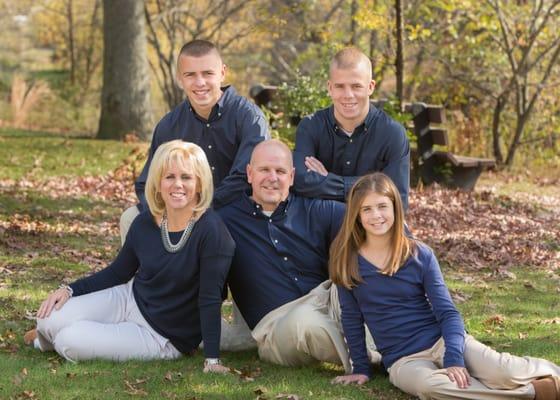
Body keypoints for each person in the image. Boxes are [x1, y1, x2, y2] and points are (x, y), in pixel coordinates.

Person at [329, 172, 560, 399]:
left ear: (395, 208)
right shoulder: (347, 260)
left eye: (382, 206)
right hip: (404, 360)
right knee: (432, 387)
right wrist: (360, 368)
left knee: (505, 371)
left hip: (442, 341)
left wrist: (453, 357)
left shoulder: (420, 255)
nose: (376, 215)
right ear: (356, 215)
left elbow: (448, 312)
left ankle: (554, 375)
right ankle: (532, 393)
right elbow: (351, 318)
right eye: (366, 209)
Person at [24, 140, 234, 373]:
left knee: (69, 341)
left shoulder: (212, 232)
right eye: (169, 177)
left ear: (200, 183)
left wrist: (212, 360)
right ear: (158, 182)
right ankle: (50, 334)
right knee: (48, 318)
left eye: (186, 177)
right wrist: (69, 290)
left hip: (161, 335)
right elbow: (118, 272)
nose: (177, 184)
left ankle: (49, 340)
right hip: (131, 299)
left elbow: (210, 298)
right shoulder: (147, 221)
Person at [217, 139, 379, 372]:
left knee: (364, 286)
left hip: (325, 299)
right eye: (264, 170)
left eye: (280, 171)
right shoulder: (225, 222)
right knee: (306, 322)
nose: (272, 177)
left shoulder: (315, 210)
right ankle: (378, 359)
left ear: (292, 177)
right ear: (249, 174)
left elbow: (373, 222)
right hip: (276, 327)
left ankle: (422, 346)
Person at [120, 39, 269, 242]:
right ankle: (147, 273)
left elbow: (244, 178)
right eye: (190, 75)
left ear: (223, 73)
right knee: (130, 218)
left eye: (207, 73)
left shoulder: (249, 117)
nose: (200, 83)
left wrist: (199, 209)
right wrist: (162, 213)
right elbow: (148, 182)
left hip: (235, 210)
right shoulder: (170, 125)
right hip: (182, 208)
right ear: (180, 79)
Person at [293, 47, 410, 210]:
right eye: (340, 86)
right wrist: (373, 186)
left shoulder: (392, 134)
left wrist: (326, 180)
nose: (348, 95)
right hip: (321, 228)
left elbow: (397, 200)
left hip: (373, 227)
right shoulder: (310, 127)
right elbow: (299, 182)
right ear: (329, 87)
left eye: (356, 86)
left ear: (370, 87)